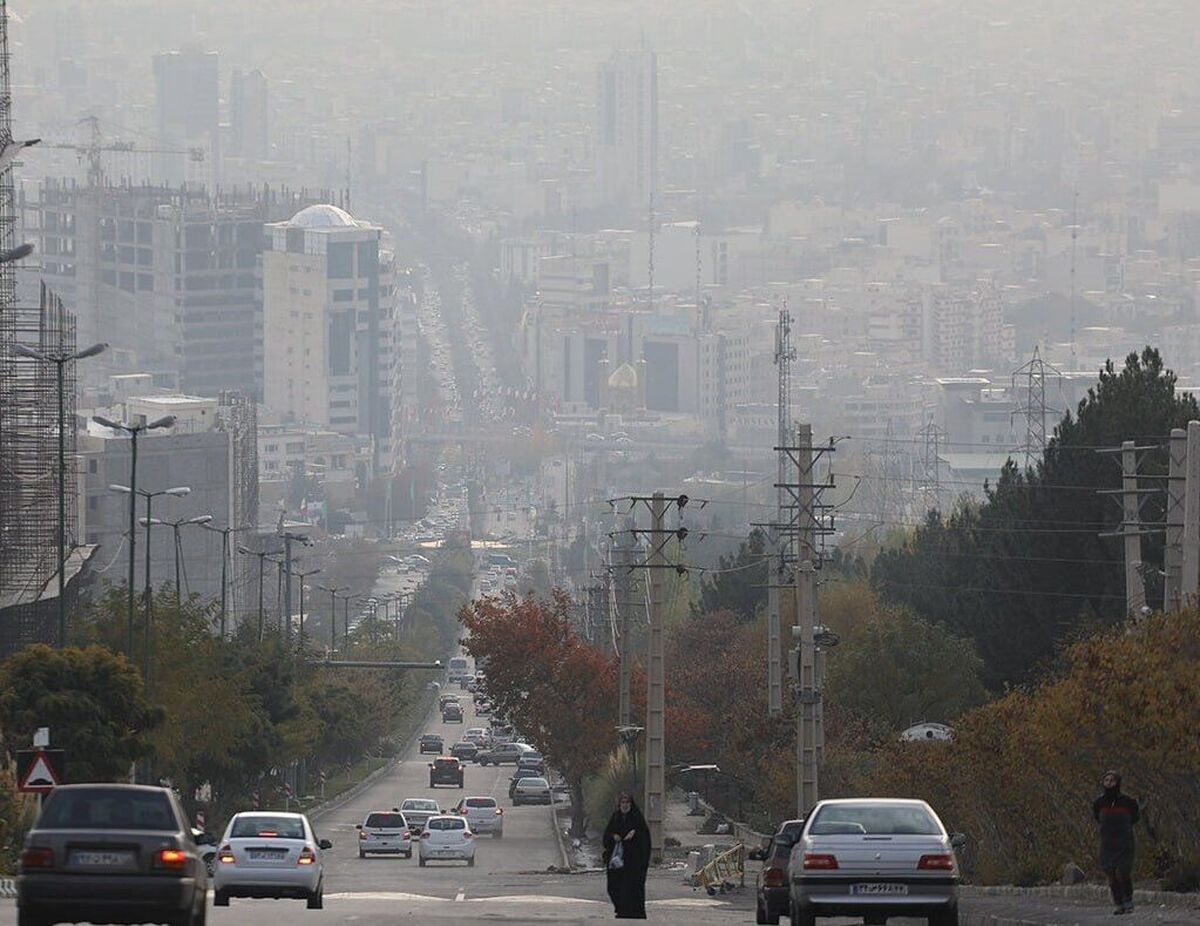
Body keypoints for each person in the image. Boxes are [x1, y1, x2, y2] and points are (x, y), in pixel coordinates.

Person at [1092, 770, 1139, 915]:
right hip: (1107, 843)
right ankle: (1118, 903)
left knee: (1122, 872)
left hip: (1124, 842)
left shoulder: (1127, 801)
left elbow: (1135, 817)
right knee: (1110, 873)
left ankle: (1128, 900)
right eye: (1106, 780)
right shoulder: (1099, 802)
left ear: (1118, 782)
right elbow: (1097, 817)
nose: (1109, 783)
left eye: (1112, 780)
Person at [603, 792, 651, 919]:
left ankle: (634, 912)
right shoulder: (615, 817)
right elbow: (606, 836)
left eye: (627, 802)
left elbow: (645, 837)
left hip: (633, 862)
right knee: (614, 886)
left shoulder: (636, 818)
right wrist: (614, 836)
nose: (625, 805)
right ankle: (620, 909)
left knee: (632, 886)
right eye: (622, 803)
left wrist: (635, 834)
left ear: (631, 804)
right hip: (617, 861)